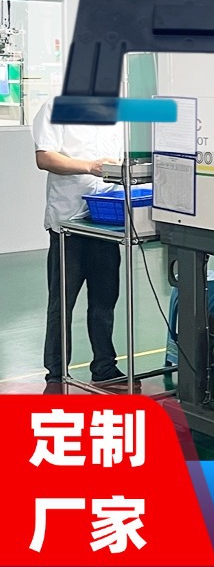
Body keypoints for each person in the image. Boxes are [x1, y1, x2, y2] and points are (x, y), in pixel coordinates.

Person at [32, 98, 127, 393]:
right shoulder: (55, 107)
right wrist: (89, 166)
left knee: (104, 300)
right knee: (62, 302)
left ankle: (104, 367)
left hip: (105, 220)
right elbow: (45, 158)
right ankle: (56, 374)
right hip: (68, 222)